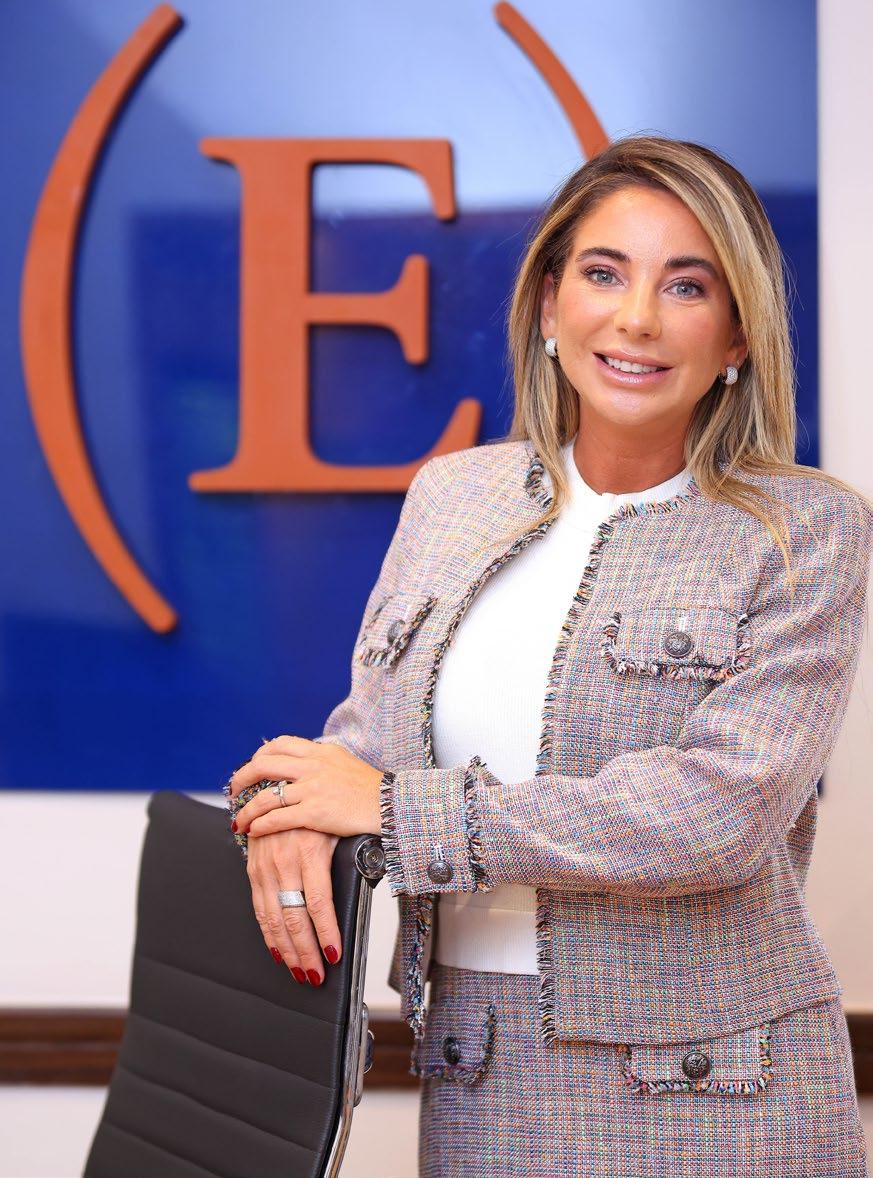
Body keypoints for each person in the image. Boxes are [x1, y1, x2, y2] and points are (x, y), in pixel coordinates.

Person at [226, 135, 873, 1176]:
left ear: (737, 336)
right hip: (476, 1073)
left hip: (719, 1094)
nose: (637, 318)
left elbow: (717, 813)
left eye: (687, 285)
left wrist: (393, 810)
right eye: (603, 273)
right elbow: (366, 740)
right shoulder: (453, 496)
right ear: (546, 304)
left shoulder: (805, 531)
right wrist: (291, 813)